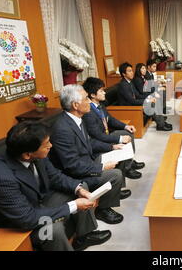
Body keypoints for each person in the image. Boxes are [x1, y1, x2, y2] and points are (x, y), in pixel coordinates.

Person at [0, 121, 111, 251]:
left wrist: (79, 189)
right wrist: (74, 205)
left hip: (36, 203)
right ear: (28, 154)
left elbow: (55, 177)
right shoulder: (0, 179)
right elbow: (27, 219)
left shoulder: (36, 154)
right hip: (11, 224)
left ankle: (84, 236)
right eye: (47, 144)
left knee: (80, 188)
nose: (51, 146)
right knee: (53, 230)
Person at [49, 85, 125, 225]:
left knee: (118, 155)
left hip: (87, 162)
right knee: (115, 175)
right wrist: (101, 167)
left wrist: (112, 147)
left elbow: (89, 143)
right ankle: (103, 209)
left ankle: (109, 196)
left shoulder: (77, 118)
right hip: (75, 174)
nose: (89, 101)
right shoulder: (62, 129)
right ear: (75, 105)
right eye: (86, 99)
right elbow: (72, 166)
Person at [82, 77, 145, 180]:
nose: (104, 93)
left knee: (127, 132)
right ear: (93, 95)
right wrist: (119, 139)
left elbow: (110, 119)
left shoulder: (100, 105)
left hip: (106, 134)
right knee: (123, 137)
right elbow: (97, 135)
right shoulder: (89, 112)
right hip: (99, 141)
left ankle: (129, 162)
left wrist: (125, 126)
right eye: (101, 91)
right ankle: (127, 168)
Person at [117, 62, 172, 131]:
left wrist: (150, 98)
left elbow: (138, 95)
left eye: (131, 70)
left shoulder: (129, 82)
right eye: (129, 71)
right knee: (152, 103)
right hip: (128, 108)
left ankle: (161, 123)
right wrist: (148, 100)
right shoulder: (123, 85)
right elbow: (132, 101)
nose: (132, 73)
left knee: (154, 100)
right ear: (123, 74)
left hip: (133, 103)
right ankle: (161, 125)